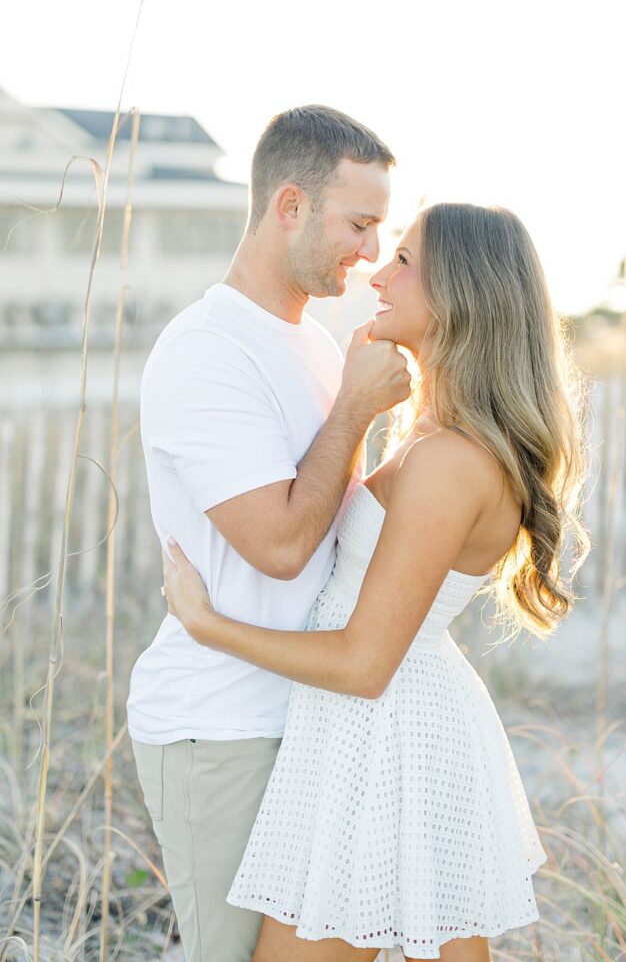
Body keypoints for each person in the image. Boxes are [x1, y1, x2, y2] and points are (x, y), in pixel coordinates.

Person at [161, 202, 590, 962]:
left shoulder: (451, 462)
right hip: (382, 725)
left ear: (463, 293)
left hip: (392, 731)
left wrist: (210, 625)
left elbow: (364, 664)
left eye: (403, 261)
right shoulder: (432, 436)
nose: (376, 273)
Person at [126, 105, 413, 962]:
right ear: (289, 204)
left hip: (307, 714)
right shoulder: (205, 353)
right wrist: (359, 408)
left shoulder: (317, 348)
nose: (368, 252)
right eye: (358, 224)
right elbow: (282, 548)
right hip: (220, 729)